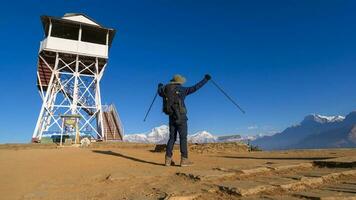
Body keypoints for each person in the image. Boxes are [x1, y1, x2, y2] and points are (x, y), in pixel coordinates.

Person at [158, 74, 211, 167]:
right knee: (183, 138)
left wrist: (160, 86)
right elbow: (195, 88)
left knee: (172, 138)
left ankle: (167, 160)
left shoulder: (165, 89)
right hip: (181, 116)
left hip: (171, 116)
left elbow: (159, 92)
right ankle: (184, 160)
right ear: (180, 82)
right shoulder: (182, 90)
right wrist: (205, 80)